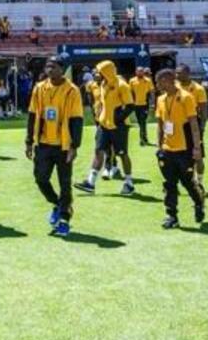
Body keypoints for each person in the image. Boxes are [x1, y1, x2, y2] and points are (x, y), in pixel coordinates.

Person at [27, 58, 86, 238]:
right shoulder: (39, 88)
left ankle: (64, 220)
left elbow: (77, 119)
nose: (49, 69)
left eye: (53, 67)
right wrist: (29, 141)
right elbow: (32, 114)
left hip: (63, 145)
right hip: (43, 144)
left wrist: (74, 146)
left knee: (65, 183)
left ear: (62, 69)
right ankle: (58, 204)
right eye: (47, 66)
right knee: (40, 179)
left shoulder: (72, 91)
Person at [153, 69, 205, 229]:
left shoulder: (186, 97)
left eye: (159, 81)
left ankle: (199, 203)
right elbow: (160, 125)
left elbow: (194, 124)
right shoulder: (161, 99)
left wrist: (197, 148)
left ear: (168, 80)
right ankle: (171, 215)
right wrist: (159, 145)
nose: (157, 85)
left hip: (185, 149)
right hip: (167, 149)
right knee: (169, 183)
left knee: (188, 182)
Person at [82, 60, 134, 195]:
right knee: (98, 151)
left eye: (100, 71)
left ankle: (129, 183)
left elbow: (130, 106)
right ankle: (90, 183)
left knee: (122, 154)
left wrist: (118, 119)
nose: (97, 74)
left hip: (119, 126)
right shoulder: (103, 84)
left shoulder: (122, 85)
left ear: (107, 72)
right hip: (103, 124)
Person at [128, 67, 155, 147]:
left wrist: (152, 103)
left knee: (143, 121)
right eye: (139, 71)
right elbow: (130, 92)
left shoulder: (148, 81)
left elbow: (151, 92)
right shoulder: (132, 81)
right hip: (136, 105)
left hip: (144, 105)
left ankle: (142, 139)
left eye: (142, 71)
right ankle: (144, 138)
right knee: (140, 122)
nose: (140, 73)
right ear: (136, 72)